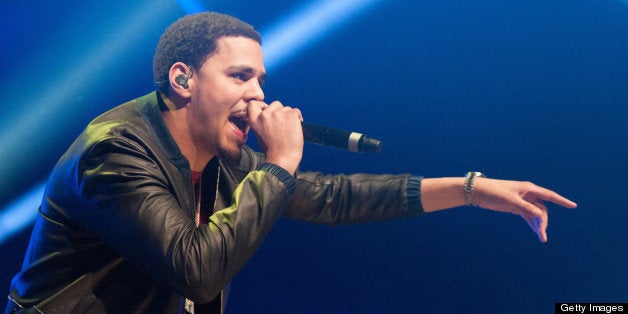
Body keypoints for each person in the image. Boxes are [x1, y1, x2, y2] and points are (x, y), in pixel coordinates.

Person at [5, 12, 577, 313]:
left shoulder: (221, 154)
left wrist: (471, 188)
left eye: (261, 78)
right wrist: (278, 162)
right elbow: (196, 270)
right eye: (239, 77)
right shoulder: (115, 151)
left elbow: (332, 197)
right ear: (182, 79)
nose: (258, 95)